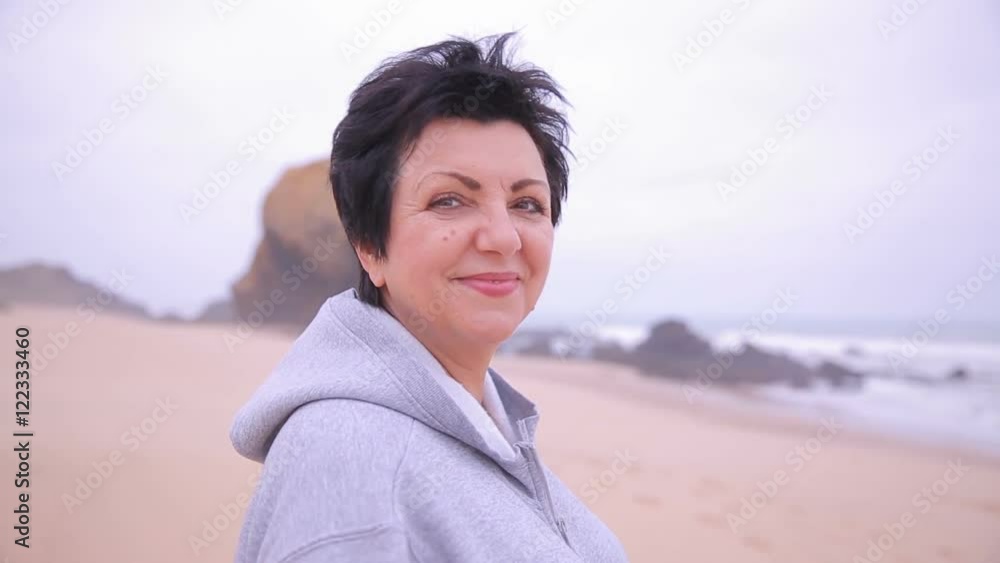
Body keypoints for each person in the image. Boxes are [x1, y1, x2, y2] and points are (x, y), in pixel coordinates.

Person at [229, 32, 630, 562]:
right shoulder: (352, 466)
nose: (503, 238)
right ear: (369, 245)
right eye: (450, 201)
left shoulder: (489, 424)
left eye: (527, 204)